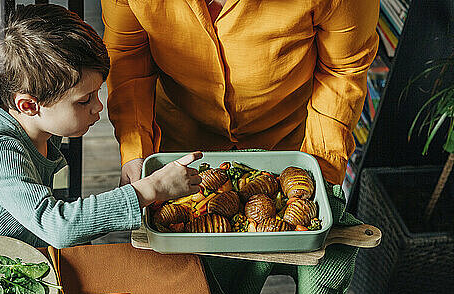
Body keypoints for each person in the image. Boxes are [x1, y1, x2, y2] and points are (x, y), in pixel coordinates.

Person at [0, 4, 203, 248]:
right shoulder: (1, 154)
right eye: (84, 100)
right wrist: (151, 189)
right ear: (29, 105)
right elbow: (58, 227)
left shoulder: (36, 125)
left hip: (17, 247)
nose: (99, 107)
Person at [102, 0, 379, 186]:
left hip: (288, 142)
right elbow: (128, 54)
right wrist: (135, 149)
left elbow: (342, 70)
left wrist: (322, 168)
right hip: (177, 136)